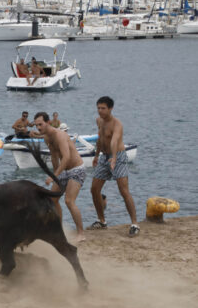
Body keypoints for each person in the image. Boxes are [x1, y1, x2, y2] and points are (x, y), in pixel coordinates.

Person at [89, 96, 139, 237]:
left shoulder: (117, 124)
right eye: (98, 108)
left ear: (110, 108)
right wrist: (96, 155)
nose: (100, 111)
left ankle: (134, 224)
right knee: (94, 189)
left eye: (103, 108)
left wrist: (114, 158)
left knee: (123, 190)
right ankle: (102, 221)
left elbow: (114, 141)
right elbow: (100, 139)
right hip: (104, 157)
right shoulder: (99, 121)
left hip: (118, 156)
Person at [34, 112, 86, 242]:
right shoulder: (47, 137)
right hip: (63, 170)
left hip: (76, 169)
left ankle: (81, 233)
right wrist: (54, 175)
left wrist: (54, 175)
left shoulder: (60, 135)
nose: (38, 128)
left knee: (69, 201)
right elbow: (54, 156)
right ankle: (59, 230)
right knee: (52, 200)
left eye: (40, 124)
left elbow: (67, 157)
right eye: (36, 125)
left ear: (48, 122)